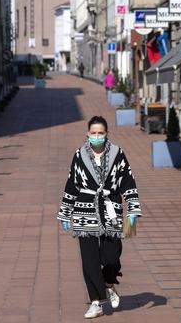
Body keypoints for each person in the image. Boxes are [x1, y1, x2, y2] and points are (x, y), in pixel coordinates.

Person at [57, 116, 141, 319]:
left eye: (100, 133)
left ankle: (109, 283)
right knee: (89, 259)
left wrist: (132, 210)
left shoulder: (117, 154)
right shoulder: (79, 155)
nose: (96, 137)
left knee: (112, 256)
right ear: (87, 134)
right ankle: (96, 302)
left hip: (110, 208)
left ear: (106, 134)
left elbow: (128, 181)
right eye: (93, 133)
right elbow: (72, 183)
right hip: (85, 210)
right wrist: (65, 212)